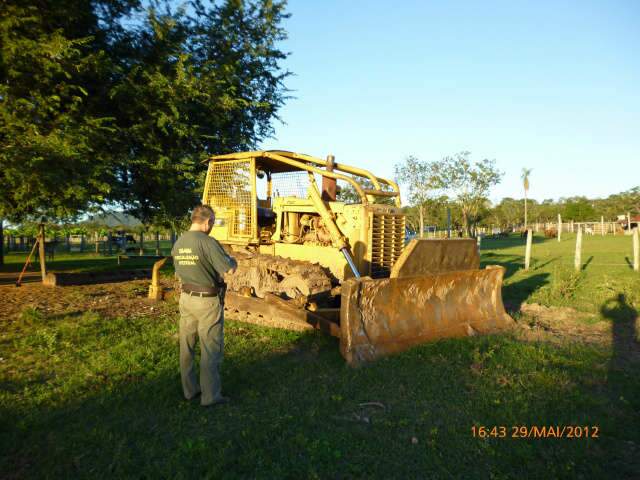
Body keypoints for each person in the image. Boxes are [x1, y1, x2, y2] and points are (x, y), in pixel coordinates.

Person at [171, 204, 237, 407]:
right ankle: (211, 396)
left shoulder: (179, 242)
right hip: (206, 301)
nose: (212, 227)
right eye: (213, 223)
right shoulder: (208, 242)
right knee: (210, 348)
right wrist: (233, 261)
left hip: (186, 298)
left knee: (187, 346)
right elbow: (228, 270)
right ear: (207, 222)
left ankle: (190, 390)